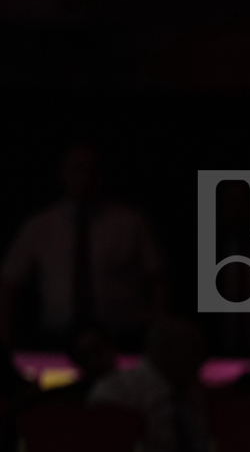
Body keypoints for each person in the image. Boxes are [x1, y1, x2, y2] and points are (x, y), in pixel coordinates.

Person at [0, 145, 166, 353]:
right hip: (58, 339)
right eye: (77, 169)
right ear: (62, 173)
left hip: (122, 338)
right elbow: (9, 280)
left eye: (92, 170)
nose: (85, 178)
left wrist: (157, 326)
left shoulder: (130, 221)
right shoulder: (40, 225)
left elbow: (157, 276)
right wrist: (4, 332)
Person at [88, 316, 209, 452]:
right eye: (194, 349)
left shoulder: (195, 394)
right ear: (165, 350)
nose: (202, 360)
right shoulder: (116, 390)